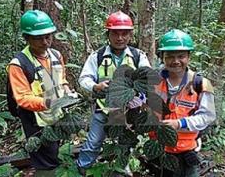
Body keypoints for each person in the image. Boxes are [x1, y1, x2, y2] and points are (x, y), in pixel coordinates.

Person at [76, 11, 151, 172]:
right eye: (115, 34)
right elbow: (84, 79)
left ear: (130, 35)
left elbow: (148, 80)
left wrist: (143, 98)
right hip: (103, 108)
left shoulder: (138, 56)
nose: (120, 38)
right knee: (94, 141)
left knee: (126, 143)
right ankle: (81, 169)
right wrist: (96, 87)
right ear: (108, 34)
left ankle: (122, 170)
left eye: (125, 34)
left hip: (130, 111)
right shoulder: (98, 56)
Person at [7, 10, 75, 173]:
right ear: (27, 38)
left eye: (48, 36)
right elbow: (22, 98)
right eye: (38, 38)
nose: (45, 42)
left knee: (54, 151)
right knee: (44, 160)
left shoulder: (56, 55)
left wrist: (67, 91)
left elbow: (62, 79)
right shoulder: (19, 64)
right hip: (34, 120)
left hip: (57, 114)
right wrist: (48, 102)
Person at [151, 29, 216, 177]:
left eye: (181, 56)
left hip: (187, 150)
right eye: (170, 56)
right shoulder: (152, 81)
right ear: (162, 57)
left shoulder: (201, 84)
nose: (175, 61)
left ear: (189, 57)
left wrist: (180, 124)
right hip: (160, 149)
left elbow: (208, 116)